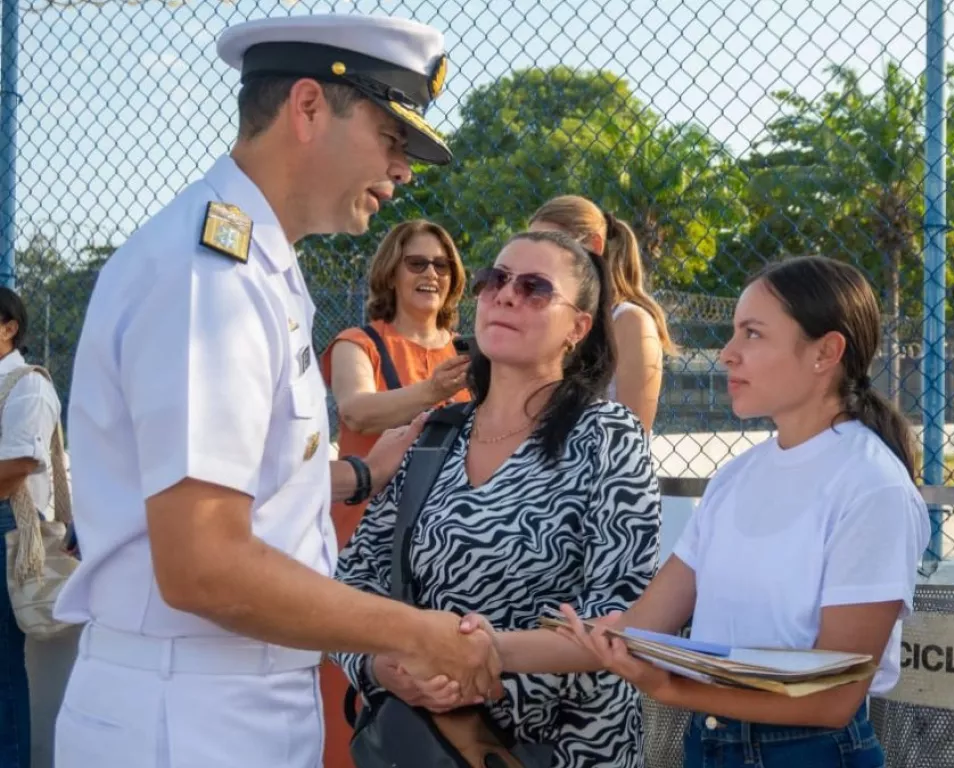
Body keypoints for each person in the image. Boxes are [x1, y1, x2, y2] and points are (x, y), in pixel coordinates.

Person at [50, 15, 502, 768]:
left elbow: (256, 496)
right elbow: (204, 564)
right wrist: (414, 632)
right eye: (391, 137)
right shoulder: (210, 275)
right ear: (309, 107)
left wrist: (358, 490)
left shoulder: (259, 266)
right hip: (189, 716)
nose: (403, 171)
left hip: (230, 698)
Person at [464, 255, 930, 767]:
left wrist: (670, 688)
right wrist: (479, 647)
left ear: (826, 352)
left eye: (753, 334)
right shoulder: (737, 477)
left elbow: (832, 699)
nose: (728, 354)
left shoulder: (871, 486)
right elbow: (637, 627)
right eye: (734, 332)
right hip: (709, 744)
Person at [332, 229, 661, 767]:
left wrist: (481, 672)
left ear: (577, 328)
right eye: (496, 280)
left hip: (566, 749)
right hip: (430, 746)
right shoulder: (437, 435)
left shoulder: (607, 436)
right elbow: (354, 579)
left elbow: (623, 612)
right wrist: (379, 667)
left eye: (535, 288)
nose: (506, 295)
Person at [318, 218, 471, 768]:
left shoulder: (470, 355)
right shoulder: (359, 343)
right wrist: (432, 391)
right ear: (391, 272)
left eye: (442, 264)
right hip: (362, 550)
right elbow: (357, 409)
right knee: (353, 707)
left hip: (441, 556)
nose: (432, 273)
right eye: (417, 263)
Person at [528, 195, 674, 432]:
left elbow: (633, 435)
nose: (534, 260)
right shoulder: (548, 316)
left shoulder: (630, 321)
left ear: (594, 245)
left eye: (551, 245)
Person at [0, 288, 64, 768]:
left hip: (8, 524)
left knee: (2, 668)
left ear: (9, 328)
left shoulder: (27, 385)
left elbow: (19, 463)